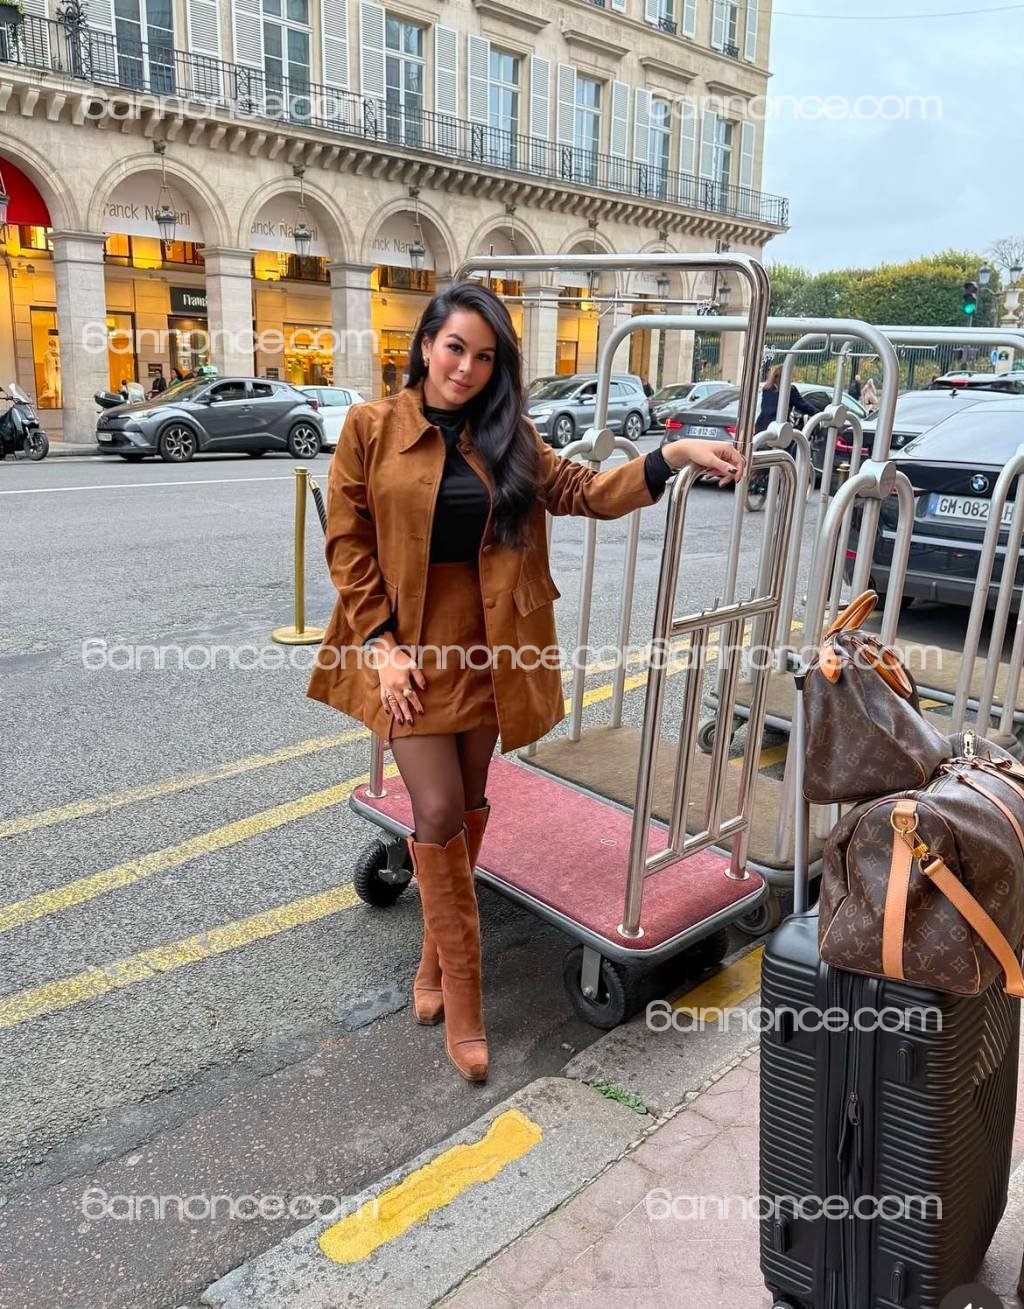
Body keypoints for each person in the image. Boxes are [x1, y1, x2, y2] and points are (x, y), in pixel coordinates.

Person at [306, 282, 743, 1084]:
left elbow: (585, 492)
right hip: (407, 651)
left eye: (483, 356)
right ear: (426, 345)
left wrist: (671, 457)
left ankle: (436, 959)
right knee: (436, 808)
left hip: (491, 646)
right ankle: (466, 999)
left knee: (469, 806)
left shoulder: (509, 436)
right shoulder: (370, 427)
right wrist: (381, 644)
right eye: (454, 348)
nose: (465, 368)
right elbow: (347, 541)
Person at [754, 364, 817, 435]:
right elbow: (803, 405)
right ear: (786, 376)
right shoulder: (789, 390)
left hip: (761, 426)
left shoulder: (767, 389)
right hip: (778, 428)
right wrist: (818, 413)